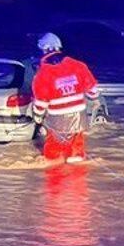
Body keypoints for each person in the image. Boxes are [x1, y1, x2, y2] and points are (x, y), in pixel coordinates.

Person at [31, 33, 100, 164]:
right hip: (78, 115)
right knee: (76, 150)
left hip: (56, 116)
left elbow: (41, 100)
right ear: (59, 47)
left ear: (43, 50)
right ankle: (77, 174)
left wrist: (38, 116)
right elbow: (92, 89)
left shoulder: (42, 73)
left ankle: (56, 174)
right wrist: (95, 100)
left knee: (53, 152)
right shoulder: (78, 65)